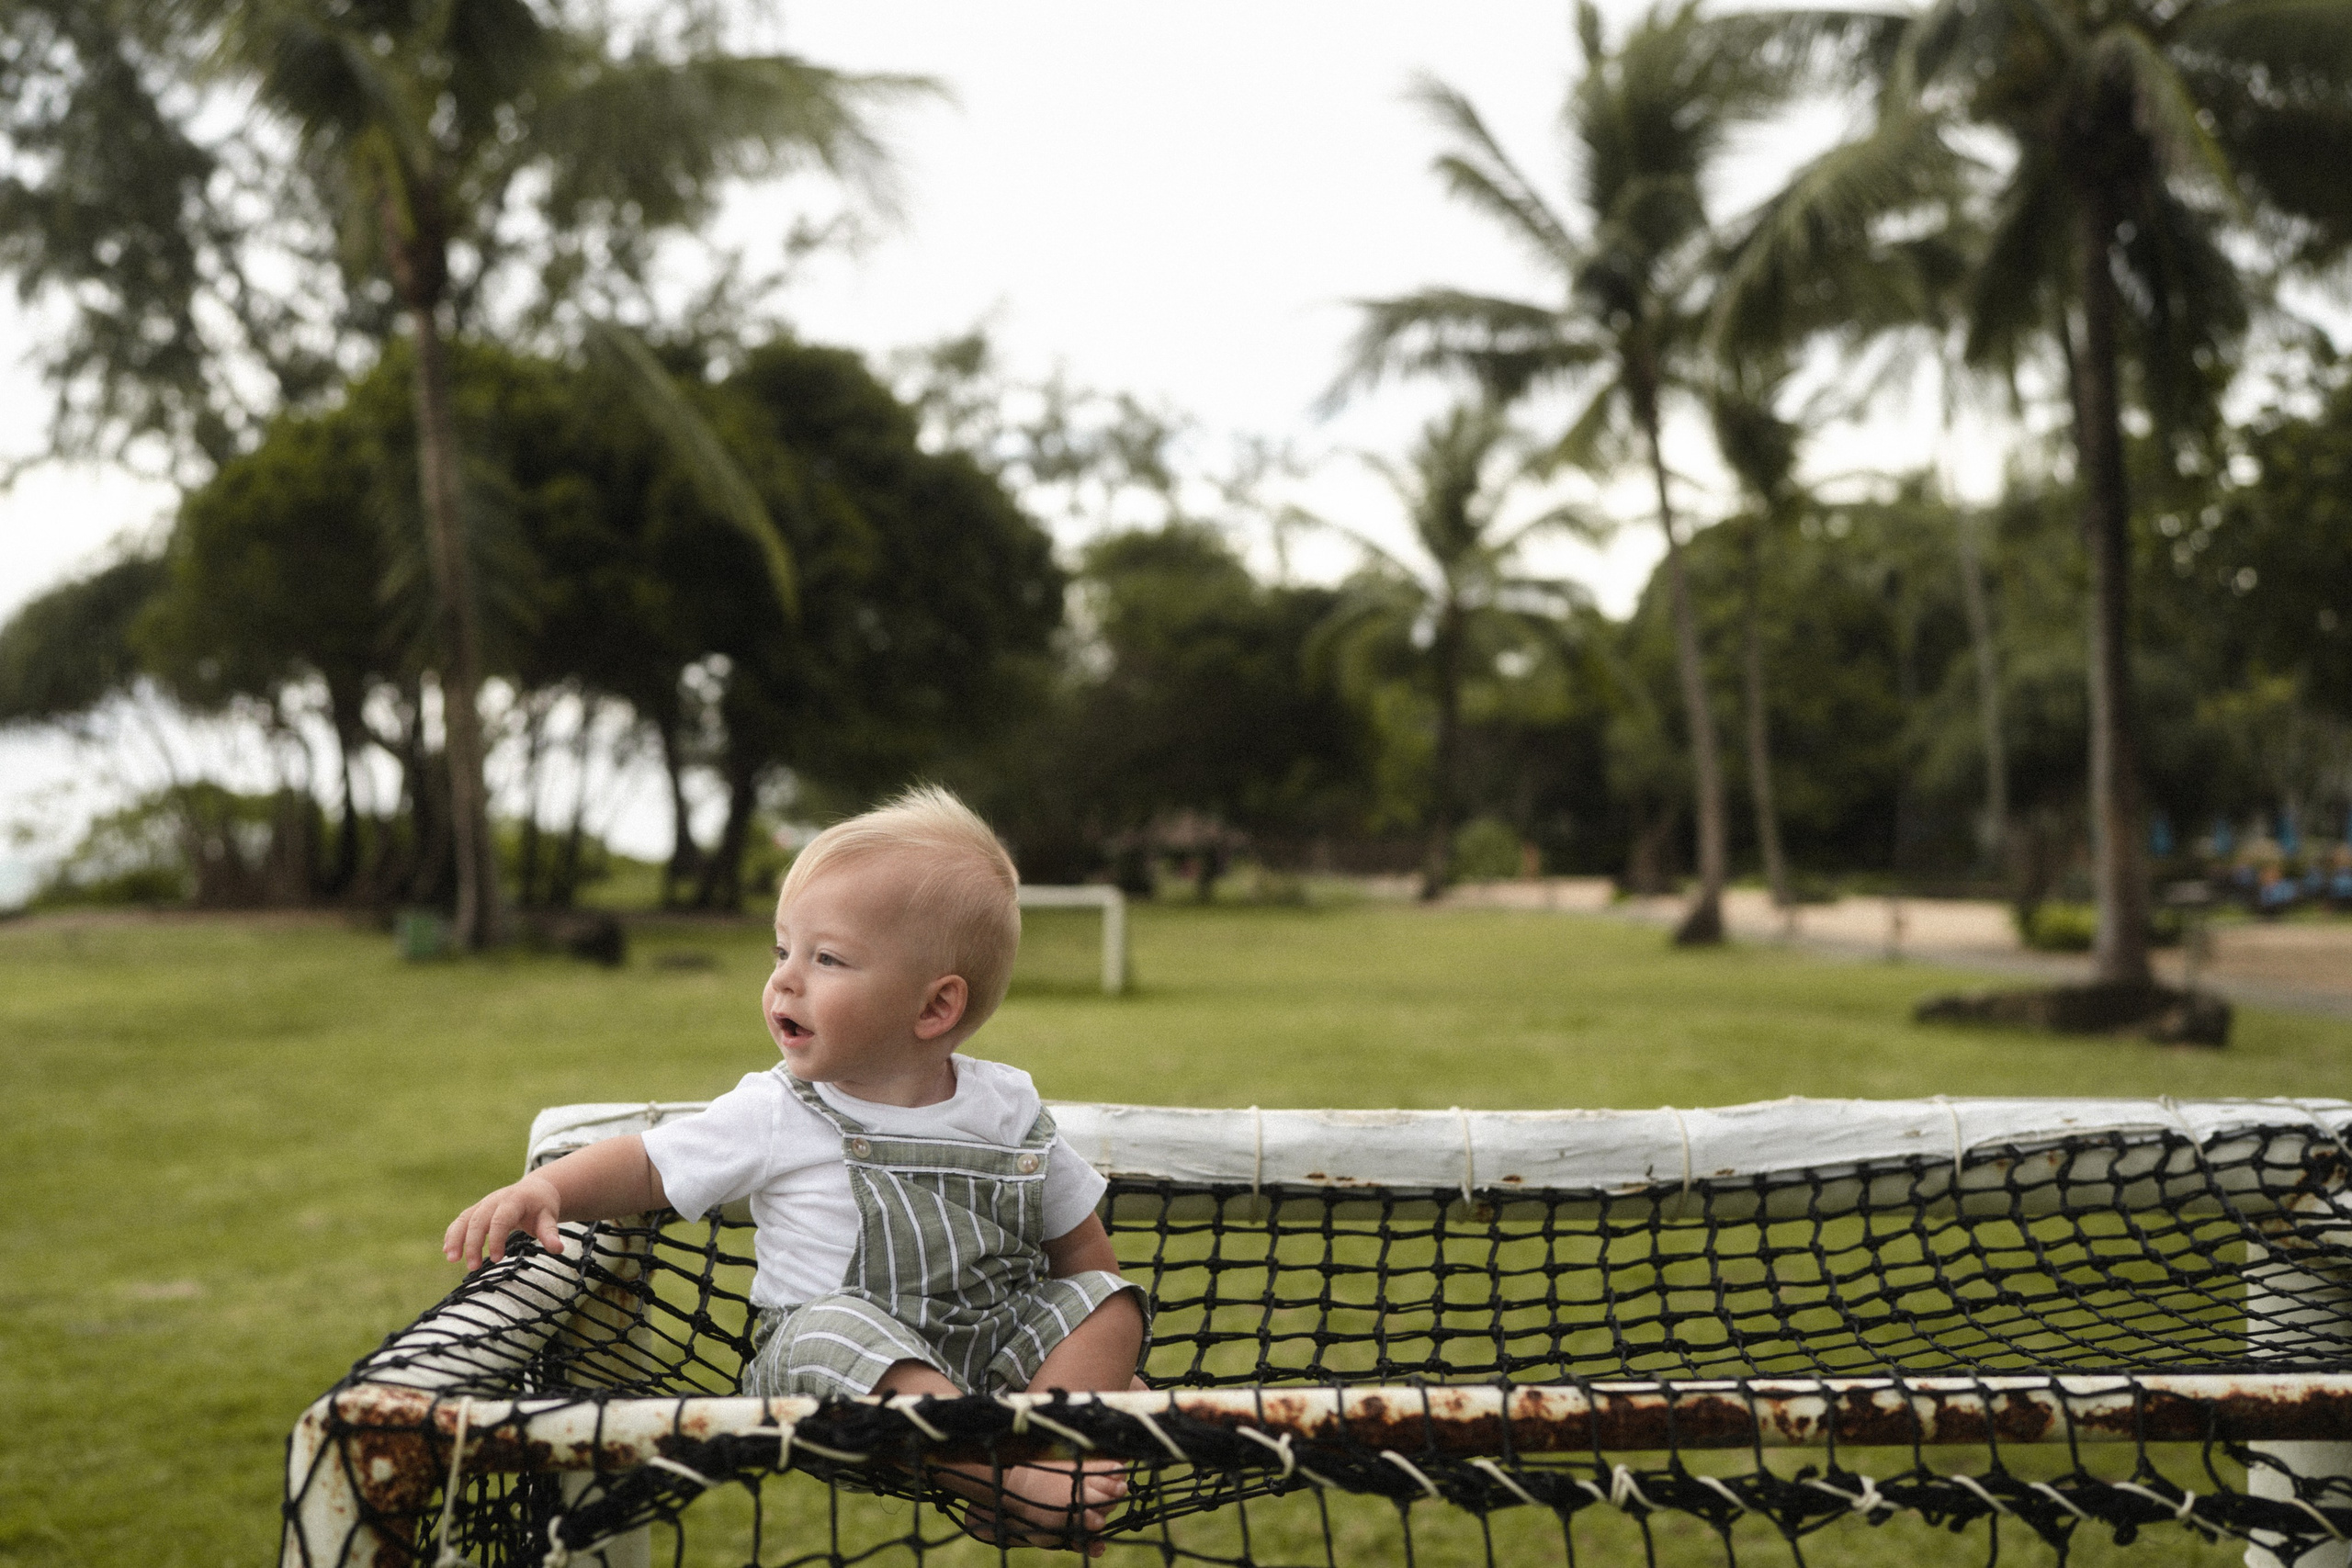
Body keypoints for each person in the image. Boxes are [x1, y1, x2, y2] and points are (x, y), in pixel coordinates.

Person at [443, 785, 1147, 1553]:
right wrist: (548, 1187)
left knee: (1111, 1301)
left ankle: (1044, 1451)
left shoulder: (1006, 1106)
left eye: (827, 957)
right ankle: (1010, 1474)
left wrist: (1095, 1365)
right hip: (830, 1381)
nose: (785, 979)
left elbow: (1080, 1250)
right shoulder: (780, 1109)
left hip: (987, 1355)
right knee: (833, 1330)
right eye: (783, 950)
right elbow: (649, 1163)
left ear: (935, 1007)